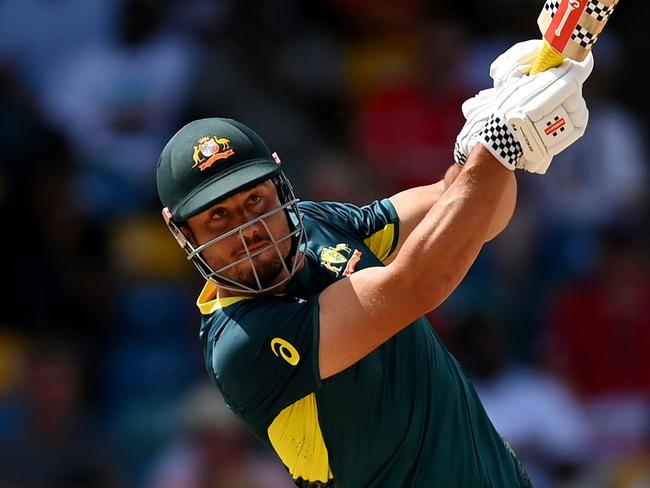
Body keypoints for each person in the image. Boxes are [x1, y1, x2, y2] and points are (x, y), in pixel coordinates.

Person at [155, 40, 593, 487]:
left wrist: (491, 131)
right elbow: (415, 286)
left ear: (280, 188)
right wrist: (500, 144)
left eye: (255, 200)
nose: (247, 229)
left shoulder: (314, 224)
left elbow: (473, 211)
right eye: (219, 217)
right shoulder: (241, 345)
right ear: (186, 235)